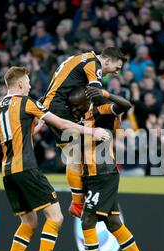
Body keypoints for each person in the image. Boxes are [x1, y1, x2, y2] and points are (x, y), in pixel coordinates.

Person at [0, 67, 110, 251]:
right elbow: (61, 124)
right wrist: (92, 132)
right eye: (27, 82)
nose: (29, 85)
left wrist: (36, 124)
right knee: (55, 217)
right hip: (27, 169)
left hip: (8, 172)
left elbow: (21, 133)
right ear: (19, 85)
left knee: (29, 222)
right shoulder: (26, 102)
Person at [67, 85, 157, 251]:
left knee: (88, 220)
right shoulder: (80, 120)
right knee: (114, 223)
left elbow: (126, 105)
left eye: (76, 106)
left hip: (103, 174)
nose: (74, 110)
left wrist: (106, 95)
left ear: (85, 103)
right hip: (93, 175)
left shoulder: (101, 111)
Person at [39, 47, 126, 218]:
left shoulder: (80, 58)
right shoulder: (94, 64)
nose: (116, 73)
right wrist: (111, 109)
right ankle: (78, 202)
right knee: (77, 153)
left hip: (53, 105)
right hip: (59, 108)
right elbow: (96, 93)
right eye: (117, 68)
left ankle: (78, 201)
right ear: (107, 61)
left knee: (75, 153)